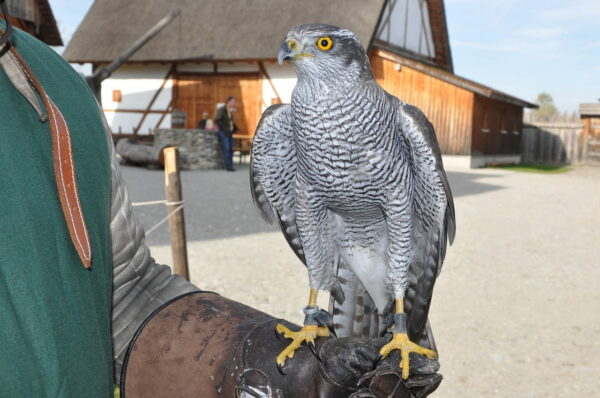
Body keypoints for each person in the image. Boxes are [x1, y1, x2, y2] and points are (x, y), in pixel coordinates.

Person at [0, 12, 440, 397]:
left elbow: (123, 288)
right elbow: (306, 218)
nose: (293, 52)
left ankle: (393, 322)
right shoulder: (287, 123)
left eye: (320, 45)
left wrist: (251, 360)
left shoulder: (63, 91)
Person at [214, 96, 238, 171]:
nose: (234, 103)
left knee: (230, 149)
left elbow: (230, 122)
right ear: (229, 102)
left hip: (229, 132)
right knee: (227, 148)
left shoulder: (229, 110)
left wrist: (234, 128)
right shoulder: (222, 109)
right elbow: (217, 120)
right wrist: (224, 129)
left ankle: (230, 165)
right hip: (224, 132)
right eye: (233, 102)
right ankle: (228, 166)